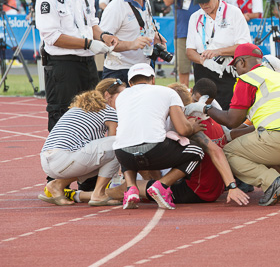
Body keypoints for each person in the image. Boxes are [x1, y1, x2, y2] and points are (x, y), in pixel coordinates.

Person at [188, 43, 280, 205]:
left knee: (229, 152)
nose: (236, 71)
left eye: (235, 66)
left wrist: (205, 108)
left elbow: (232, 120)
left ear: (242, 62)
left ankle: (272, 181)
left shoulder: (248, 79)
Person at [107, 79, 250, 206]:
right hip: (215, 188)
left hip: (196, 190)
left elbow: (215, 150)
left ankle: (98, 193)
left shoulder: (191, 126)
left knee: (131, 178)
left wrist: (232, 187)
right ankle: (156, 186)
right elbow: (228, 137)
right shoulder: (214, 120)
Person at [35, 0, 118, 132]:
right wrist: (88, 43)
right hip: (63, 66)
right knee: (63, 116)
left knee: (94, 113)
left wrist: (104, 37)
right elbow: (53, 37)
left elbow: (92, 24)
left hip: (87, 63)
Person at [114, 63, 205, 210]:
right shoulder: (167, 92)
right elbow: (183, 129)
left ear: (130, 83)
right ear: (153, 79)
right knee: (197, 151)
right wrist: (193, 127)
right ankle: (161, 185)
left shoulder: (121, 97)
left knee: (126, 143)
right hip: (155, 151)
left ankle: (131, 188)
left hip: (123, 155)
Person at [39, 78, 125, 206]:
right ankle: (98, 194)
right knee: (118, 145)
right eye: (122, 95)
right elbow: (115, 143)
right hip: (65, 158)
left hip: (47, 160)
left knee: (101, 158)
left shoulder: (79, 108)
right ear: (107, 95)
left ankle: (57, 185)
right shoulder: (109, 111)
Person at [186, 0, 251, 109]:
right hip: (203, 73)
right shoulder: (195, 17)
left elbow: (244, 47)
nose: (204, 5)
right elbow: (190, 51)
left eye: (206, 1)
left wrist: (218, 52)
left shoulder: (233, 13)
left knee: (228, 111)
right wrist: (204, 61)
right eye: (200, 2)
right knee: (205, 112)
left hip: (228, 71)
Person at [100, 0, 165, 83]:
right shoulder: (115, 7)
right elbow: (103, 42)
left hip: (144, 66)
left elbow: (147, 22)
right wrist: (132, 44)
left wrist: (155, 34)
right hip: (120, 69)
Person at [163, 0, 206, 86]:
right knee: (183, 69)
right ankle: (185, 96)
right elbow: (167, 2)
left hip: (201, 31)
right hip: (182, 31)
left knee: (203, 68)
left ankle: (201, 95)